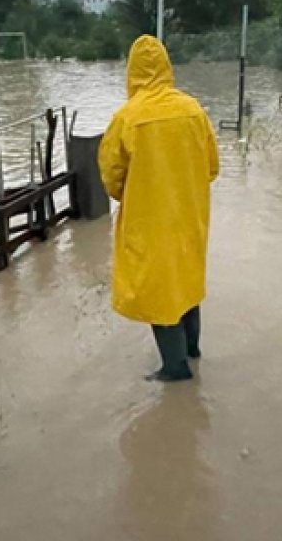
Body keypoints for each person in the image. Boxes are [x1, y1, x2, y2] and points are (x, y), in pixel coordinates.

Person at [99, 35, 220, 382]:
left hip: (150, 220)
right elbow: (212, 166)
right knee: (186, 281)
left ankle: (175, 367)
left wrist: (141, 193)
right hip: (189, 216)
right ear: (167, 67)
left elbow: (112, 177)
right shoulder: (193, 110)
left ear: (132, 72)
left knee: (158, 288)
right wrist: (184, 187)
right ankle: (192, 349)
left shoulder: (127, 118)